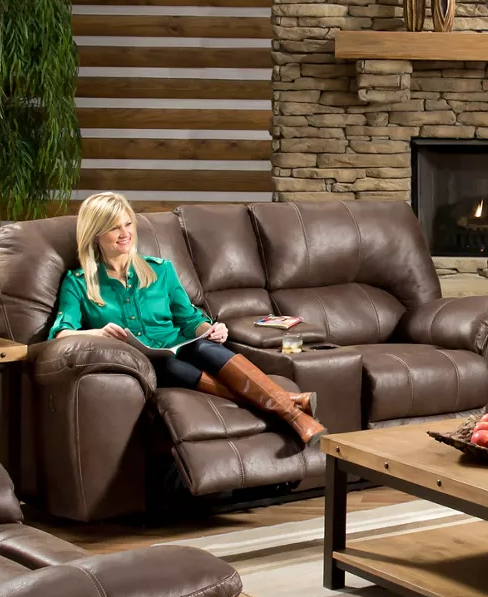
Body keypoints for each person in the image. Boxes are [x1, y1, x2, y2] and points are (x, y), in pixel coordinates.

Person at [49, 191, 326, 447]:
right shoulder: (79, 282)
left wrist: (211, 329)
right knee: (169, 366)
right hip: (144, 362)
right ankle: (290, 405)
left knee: (206, 347)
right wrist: (98, 334)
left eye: (128, 224)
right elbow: (61, 334)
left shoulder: (161, 270)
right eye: (114, 228)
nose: (125, 233)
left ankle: (292, 414)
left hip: (180, 345)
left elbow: (190, 319)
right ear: (95, 234)